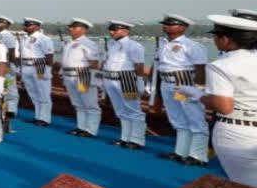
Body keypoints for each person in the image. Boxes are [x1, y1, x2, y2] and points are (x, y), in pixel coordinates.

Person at [181, 14, 257, 187]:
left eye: (215, 36)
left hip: (239, 132)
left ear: (226, 40)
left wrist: (196, 94)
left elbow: (223, 106)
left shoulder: (221, 65)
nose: (214, 40)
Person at [146, 14, 209, 165]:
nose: (165, 26)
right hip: (166, 83)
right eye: (165, 24)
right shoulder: (162, 44)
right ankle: (181, 152)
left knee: (195, 118)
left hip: (183, 82)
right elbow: (157, 65)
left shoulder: (192, 46)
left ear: (182, 27)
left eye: (170, 24)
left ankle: (198, 156)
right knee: (178, 119)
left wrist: (198, 89)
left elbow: (201, 68)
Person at [100, 21, 147, 149]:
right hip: (110, 78)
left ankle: (137, 140)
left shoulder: (134, 46)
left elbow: (139, 66)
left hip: (127, 79)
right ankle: (125, 138)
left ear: (126, 31)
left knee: (133, 110)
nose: (111, 32)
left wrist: (139, 81)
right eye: (111, 29)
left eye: (115, 29)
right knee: (120, 110)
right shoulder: (110, 44)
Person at [61, 18, 102, 138]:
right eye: (71, 27)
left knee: (90, 104)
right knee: (78, 103)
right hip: (70, 75)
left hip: (83, 75)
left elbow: (94, 63)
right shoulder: (69, 43)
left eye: (74, 27)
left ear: (83, 29)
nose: (70, 29)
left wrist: (95, 80)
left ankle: (91, 130)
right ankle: (81, 127)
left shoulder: (88, 43)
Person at [18, 18, 55, 126]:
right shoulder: (24, 38)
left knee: (43, 93)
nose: (25, 27)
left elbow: (49, 57)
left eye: (29, 25)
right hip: (26, 66)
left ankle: (45, 119)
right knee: (33, 93)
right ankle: (38, 115)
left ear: (37, 26)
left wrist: (44, 71)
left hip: (39, 65)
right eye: (25, 25)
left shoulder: (43, 39)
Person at [0, 17, 20, 120]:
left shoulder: (8, 36)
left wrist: (12, 67)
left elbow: (11, 53)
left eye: (1, 22)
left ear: (7, 24)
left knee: (10, 87)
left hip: (7, 65)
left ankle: (11, 109)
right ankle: (0, 107)